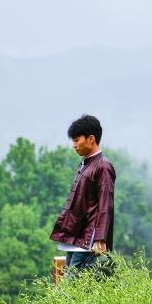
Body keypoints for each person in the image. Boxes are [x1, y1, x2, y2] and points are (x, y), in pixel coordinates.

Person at [50, 114, 116, 275]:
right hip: (76, 235)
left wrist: (100, 239)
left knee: (72, 286)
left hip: (87, 239)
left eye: (76, 140)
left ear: (91, 139)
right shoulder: (85, 164)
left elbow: (105, 204)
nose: (74, 145)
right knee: (70, 283)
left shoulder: (103, 166)